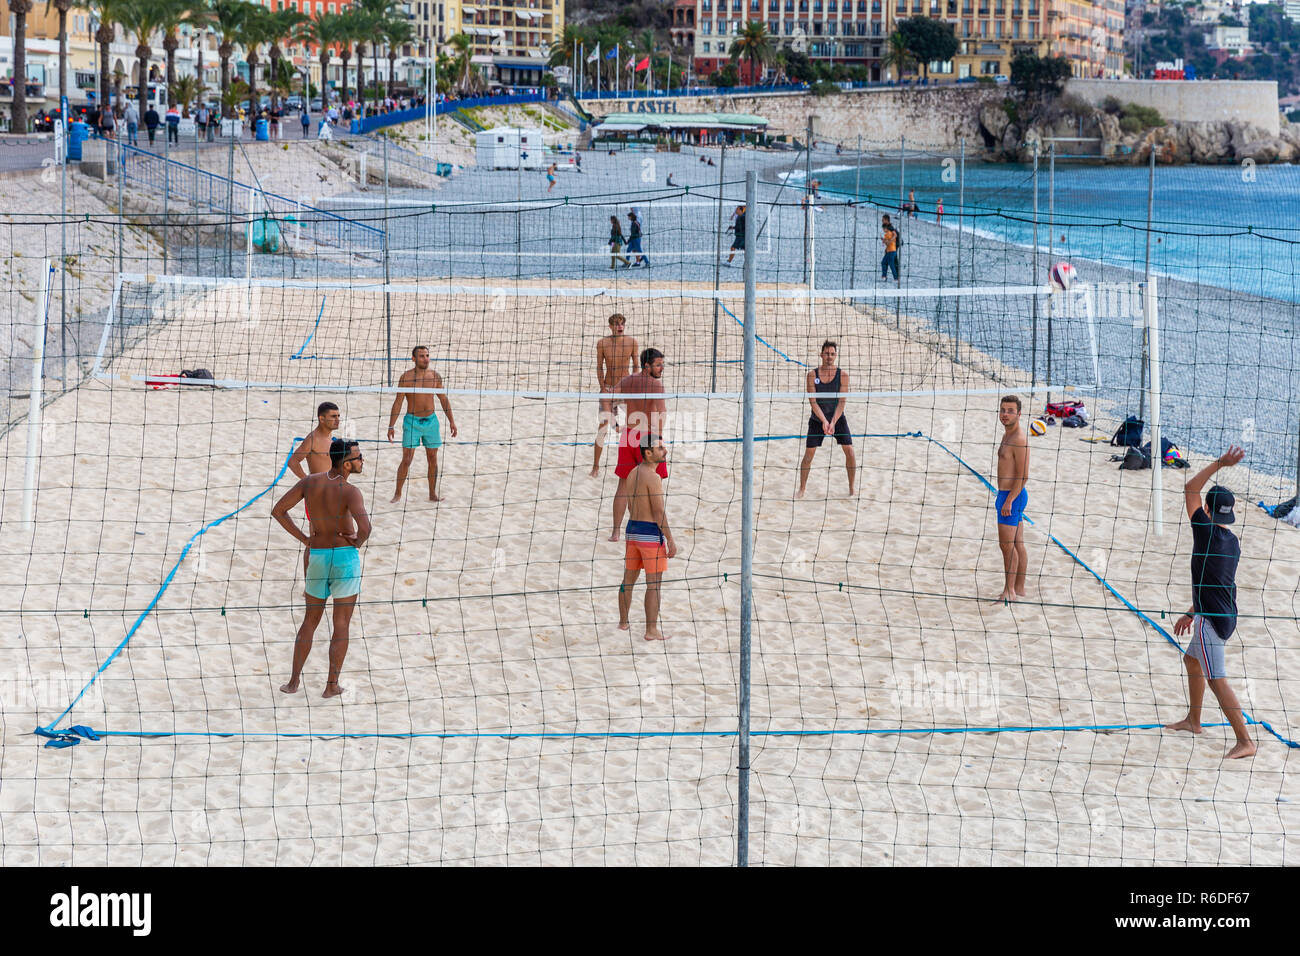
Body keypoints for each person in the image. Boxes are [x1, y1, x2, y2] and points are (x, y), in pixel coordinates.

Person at [1165, 445, 1255, 759]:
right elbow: (1215, 583)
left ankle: (1245, 741)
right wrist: (1192, 611)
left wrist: (1220, 463)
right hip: (1223, 612)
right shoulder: (1231, 541)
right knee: (1192, 661)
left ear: (1206, 509)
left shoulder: (1204, 532)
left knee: (1217, 679)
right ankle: (1193, 720)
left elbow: (1190, 486)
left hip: (1212, 621)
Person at [271, 438, 371, 698]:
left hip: (317, 554)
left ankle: (293, 683)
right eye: (358, 457)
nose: (362, 461)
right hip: (344, 557)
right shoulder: (351, 492)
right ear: (346, 464)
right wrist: (357, 543)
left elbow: (278, 511)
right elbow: (366, 529)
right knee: (341, 623)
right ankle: (331, 686)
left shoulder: (310, 482)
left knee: (310, 621)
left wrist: (305, 539)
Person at [618, 433, 677, 641]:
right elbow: (659, 511)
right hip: (650, 533)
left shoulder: (633, 472)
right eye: (660, 448)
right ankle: (651, 630)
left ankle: (623, 622)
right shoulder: (653, 477)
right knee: (653, 584)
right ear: (648, 452)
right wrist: (670, 538)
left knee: (628, 580)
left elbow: (631, 505)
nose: (665, 450)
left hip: (632, 530)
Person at [388, 345, 458, 502]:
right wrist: (391, 426)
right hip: (412, 422)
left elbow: (443, 400)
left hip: (431, 422)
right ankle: (397, 493)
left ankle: (432, 494)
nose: (426, 359)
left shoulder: (435, 376)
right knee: (407, 459)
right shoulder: (406, 377)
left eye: (427, 355)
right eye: (421, 356)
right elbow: (398, 402)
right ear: (413, 359)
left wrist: (452, 421)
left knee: (432, 458)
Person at [611, 348, 667, 540]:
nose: (662, 369)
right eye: (658, 365)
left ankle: (616, 531)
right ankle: (653, 527)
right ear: (647, 365)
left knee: (624, 485)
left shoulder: (627, 380)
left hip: (628, 435)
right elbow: (661, 413)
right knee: (654, 485)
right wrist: (658, 439)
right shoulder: (656, 386)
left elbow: (609, 398)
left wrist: (614, 423)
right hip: (648, 437)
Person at [287, 401, 343, 575]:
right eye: (333, 416)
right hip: (317, 495)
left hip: (333, 494)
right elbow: (292, 461)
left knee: (335, 536)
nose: (337, 420)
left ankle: (326, 575)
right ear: (321, 418)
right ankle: (309, 584)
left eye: (338, 416)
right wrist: (308, 481)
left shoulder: (331, 440)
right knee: (315, 540)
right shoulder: (312, 439)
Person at [797, 341, 856, 498]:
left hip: (837, 417)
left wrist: (833, 422)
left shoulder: (843, 375)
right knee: (809, 455)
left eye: (832, 353)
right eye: (827, 353)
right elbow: (813, 401)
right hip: (818, 419)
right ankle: (801, 489)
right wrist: (824, 421)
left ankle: (851, 489)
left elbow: (842, 401)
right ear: (821, 354)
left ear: (835, 356)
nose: (829, 356)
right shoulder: (812, 375)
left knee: (850, 451)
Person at [592, 313, 638, 476]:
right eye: (616, 324)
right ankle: (596, 467)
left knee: (637, 424)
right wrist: (602, 387)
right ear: (610, 326)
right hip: (609, 388)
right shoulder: (602, 343)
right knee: (603, 428)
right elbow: (599, 367)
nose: (620, 326)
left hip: (626, 388)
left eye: (622, 323)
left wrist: (634, 385)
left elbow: (636, 366)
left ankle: (636, 465)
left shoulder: (632, 342)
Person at [993, 395, 1029, 603]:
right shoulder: (1008, 434)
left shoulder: (1018, 439)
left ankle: (1009, 592)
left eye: (1010, 411)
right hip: (1009, 495)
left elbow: (1023, 475)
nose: (1005, 414)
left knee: (1007, 547)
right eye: (1003, 410)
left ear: (1019, 414)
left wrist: (1009, 501)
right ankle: (1020, 588)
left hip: (1011, 496)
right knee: (1017, 544)